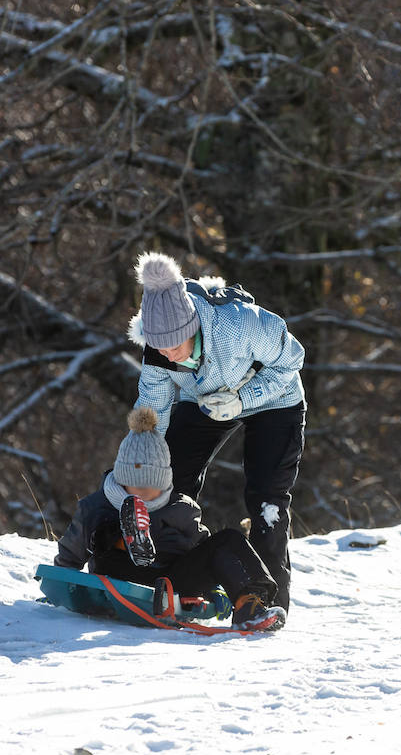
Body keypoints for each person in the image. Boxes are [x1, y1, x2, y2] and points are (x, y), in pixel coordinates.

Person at [126, 251, 306, 615]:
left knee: (266, 499)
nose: (170, 355)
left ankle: (265, 602)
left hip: (275, 397)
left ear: (193, 326)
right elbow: (152, 413)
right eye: (160, 348)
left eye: (177, 344)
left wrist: (243, 401)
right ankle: (176, 581)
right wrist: (141, 466)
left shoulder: (241, 326)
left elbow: (293, 359)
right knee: (168, 479)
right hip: (206, 400)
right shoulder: (159, 353)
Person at [54, 406, 285, 631]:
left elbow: (205, 554)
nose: (145, 493)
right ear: (122, 478)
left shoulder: (181, 507)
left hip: (169, 585)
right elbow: (70, 555)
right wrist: (60, 590)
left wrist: (215, 588)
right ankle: (132, 538)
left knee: (229, 540)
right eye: (138, 486)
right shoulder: (95, 505)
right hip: (119, 578)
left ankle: (250, 605)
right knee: (107, 531)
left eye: (153, 487)